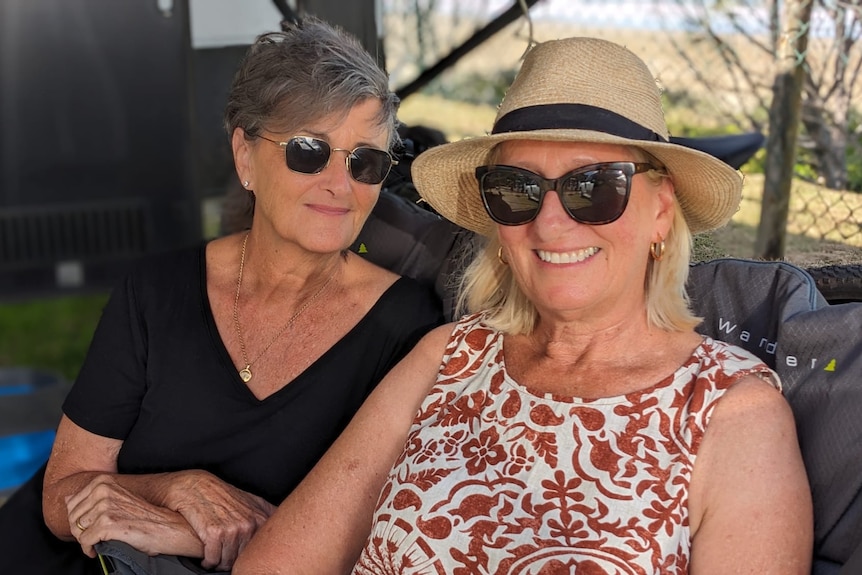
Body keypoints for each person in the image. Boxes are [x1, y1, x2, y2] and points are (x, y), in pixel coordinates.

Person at [233, 36, 812, 574]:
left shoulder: (729, 414)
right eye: (517, 189)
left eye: (595, 187)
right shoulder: (447, 360)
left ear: (661, 210)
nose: (551, 223)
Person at [35, 16, 443, 573]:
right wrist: (178, 487)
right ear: (245, 155)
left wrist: (184, 532)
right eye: (308, 150)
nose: (339, 184)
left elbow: (383, 540)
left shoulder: (410, 329)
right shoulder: (155, 292)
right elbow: (62, 497)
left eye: (365, 161)